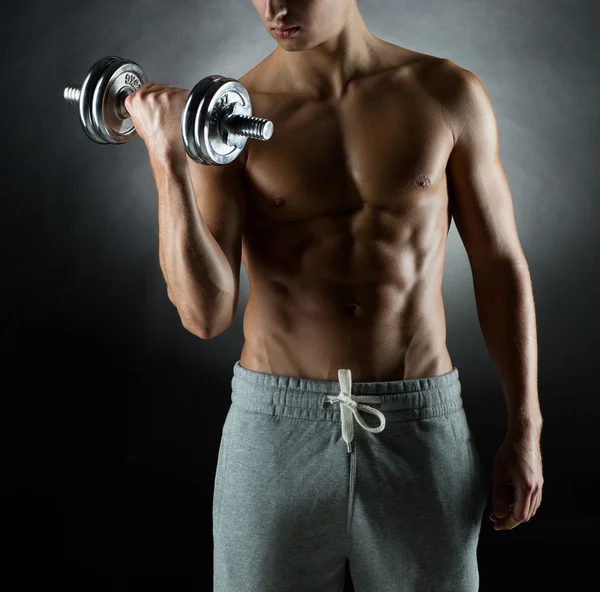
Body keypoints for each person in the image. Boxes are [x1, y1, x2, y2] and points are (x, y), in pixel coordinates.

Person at [125, 0, 544, 589]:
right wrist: (167, 158)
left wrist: (526, 428)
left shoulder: (446, 93)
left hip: (418, 430)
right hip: (274, 437)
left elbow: (500, 266)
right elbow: (204, 315)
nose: (274, 7)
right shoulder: (228, 120)